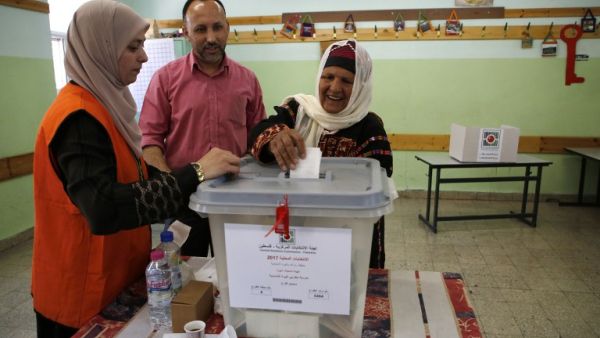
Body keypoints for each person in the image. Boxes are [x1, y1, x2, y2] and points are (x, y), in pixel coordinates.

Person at [31, 1, 240, 337]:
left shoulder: (106, 110)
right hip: (78, 295)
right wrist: (197, 171)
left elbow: (142, 179)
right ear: (101, 48)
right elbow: (105, 208)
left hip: (116, 282)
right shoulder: (78, 119)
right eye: (133, 47)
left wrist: (210, 187)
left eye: (142, 45)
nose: (143, 56)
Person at [248, 40, 393, 269]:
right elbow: (257, 133)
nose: (335, 88)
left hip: (347, 237)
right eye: (328, 77)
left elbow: (379, 177)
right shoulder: (298, 112)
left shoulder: (369, 127)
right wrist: (276, 137)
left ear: (360, 87)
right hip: (299, 230)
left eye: (346, 81)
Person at [139, 0, 266, 257]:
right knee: (184, 282)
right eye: (200, 29)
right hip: (183, 202)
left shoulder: (248, 80)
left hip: (236, 201)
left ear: (227, 28)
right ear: (186, 32)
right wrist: (170, 187)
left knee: (240, 277)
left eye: (217, 27)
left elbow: (258, 139)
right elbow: (150, 141)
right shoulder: (165, 79)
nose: (211, 38)